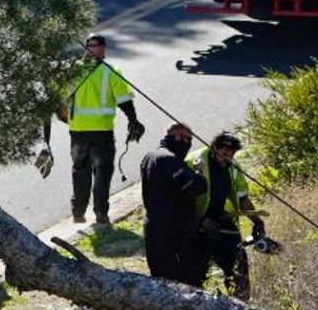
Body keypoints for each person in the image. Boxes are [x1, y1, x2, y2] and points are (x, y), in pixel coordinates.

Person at [58, 33, 145, 225]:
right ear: (103, 49)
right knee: (102, 173)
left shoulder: (72, 71)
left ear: (87, 49)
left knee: (80, 171)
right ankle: (101, 214)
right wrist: (133, 120)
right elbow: (124, 100)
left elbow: (60, 104)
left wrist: (70, 121)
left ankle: (78, 214)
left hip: (78, 133)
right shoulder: (110, 71)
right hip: (102, 132)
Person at [186, 131, 265, 300]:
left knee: (238, 264)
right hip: (193, 224)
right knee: (196, 273)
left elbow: (242, 198)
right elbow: (180, 200)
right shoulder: (195, 163)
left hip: (220, 220)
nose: (226, 159)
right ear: (214, 149)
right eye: (223, 154)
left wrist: (257, 221)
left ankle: (242, 304)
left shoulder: (232, 167)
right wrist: (201, 221)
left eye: (230, 155)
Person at [140, 123, 207, 287]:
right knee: (185, 283)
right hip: (174, 233)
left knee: (162, 283)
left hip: (154, 229)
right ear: (178, 137)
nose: (188, 145)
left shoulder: (150, 156)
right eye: (188, 140)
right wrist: (199, 171)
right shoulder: (169, 160)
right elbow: (194, 187)